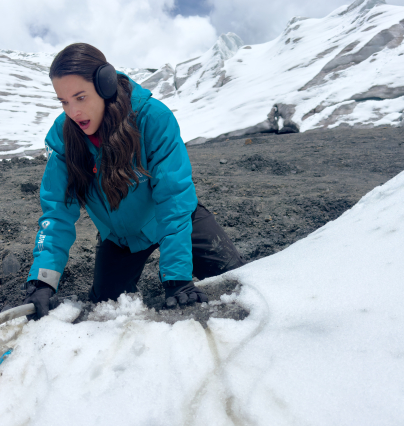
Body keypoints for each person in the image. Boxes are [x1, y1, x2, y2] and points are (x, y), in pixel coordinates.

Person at [22, 43, 244, 319]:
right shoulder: (64, 138)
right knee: (104, 309)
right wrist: (42, 281)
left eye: (80, 97)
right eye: (64, 102)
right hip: (120, 239)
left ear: (105, 85)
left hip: (176, 218)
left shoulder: (154, 119)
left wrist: (176, 278)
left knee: (238, 282)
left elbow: (173, 197)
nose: (73, 112)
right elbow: (56, 213)